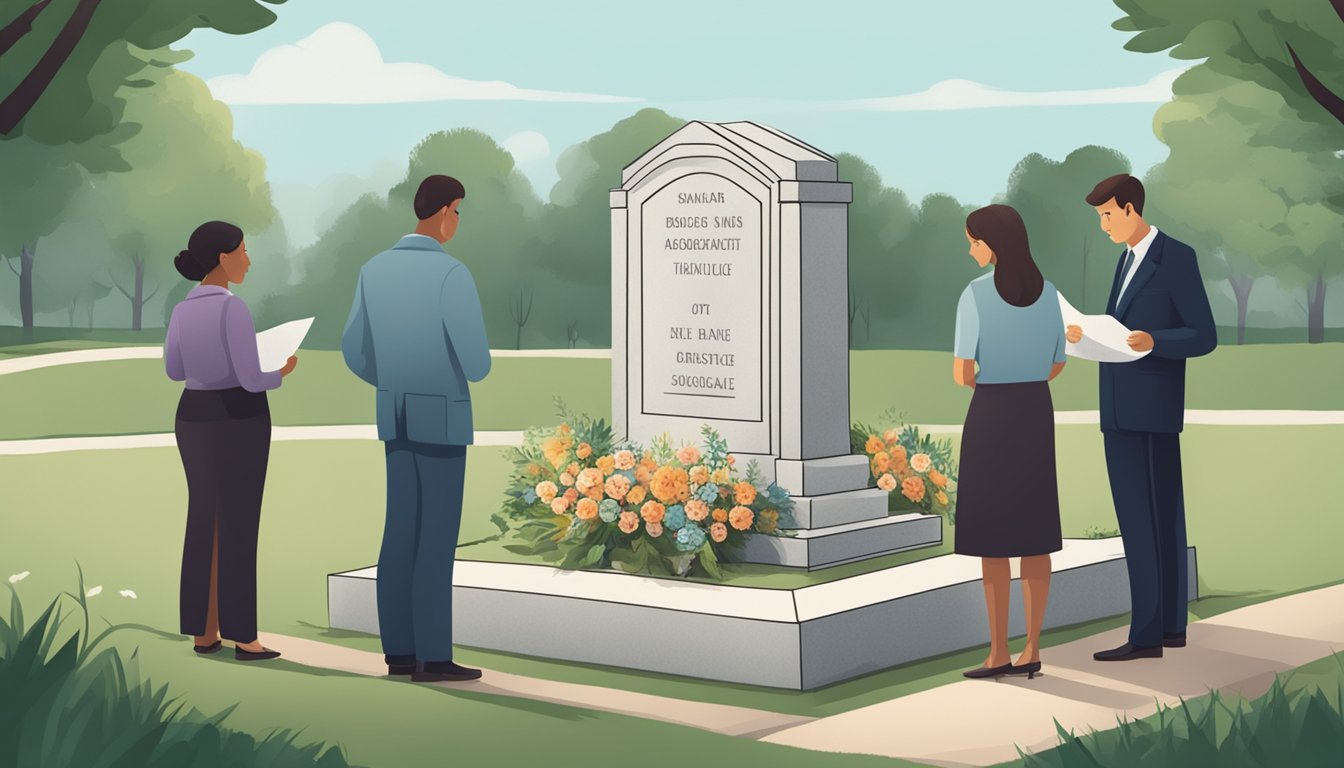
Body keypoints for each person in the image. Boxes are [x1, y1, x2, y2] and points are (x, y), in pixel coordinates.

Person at [342, 174, 491, 683]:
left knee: (399, 531)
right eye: (459, 212)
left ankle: (400, 651)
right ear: (447, 211)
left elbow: (354, 350)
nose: (458, 222)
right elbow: (475, 363)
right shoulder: (452, 275)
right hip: (442, 419)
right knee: (436, 538)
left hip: (396, 414)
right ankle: (433, 656)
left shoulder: (372, 270)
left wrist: (394, 381)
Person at [1070, 174, 1216, 662]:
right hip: (1119, 410)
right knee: (1151, 520)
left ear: (1132, 209)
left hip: (1152, 411)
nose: (1103, 224)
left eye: (1108, 215)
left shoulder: (1175, 258)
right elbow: (1121, 326)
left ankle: (1149, 634)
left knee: (1153, 521)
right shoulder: (1125, 260)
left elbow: (1203, 334)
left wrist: (1156, 341)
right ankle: (1169, 627)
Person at [165, 221, 298, 662]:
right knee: (239, 522)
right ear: (222, 258)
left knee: (203, 518)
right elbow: (249, 378)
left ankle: (204, 632)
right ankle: (244, 636)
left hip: (192, 415)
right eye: (242, 250)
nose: (248, 259)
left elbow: (174, 370)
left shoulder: (182, 309)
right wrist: (281, 370)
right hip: (238, 416)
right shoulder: (232, 309)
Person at [953, 204, 1067, 681]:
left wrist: (993, 380)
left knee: (993, 541)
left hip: (993, 415)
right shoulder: (1052, 294)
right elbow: (1058, 362)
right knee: (1034, 534)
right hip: (1035, 413)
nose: (970, 248)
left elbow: (962, 373)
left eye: (973, 241)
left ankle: (998, 650)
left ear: (993, 243)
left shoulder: (975, 295)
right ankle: (1034, 647)